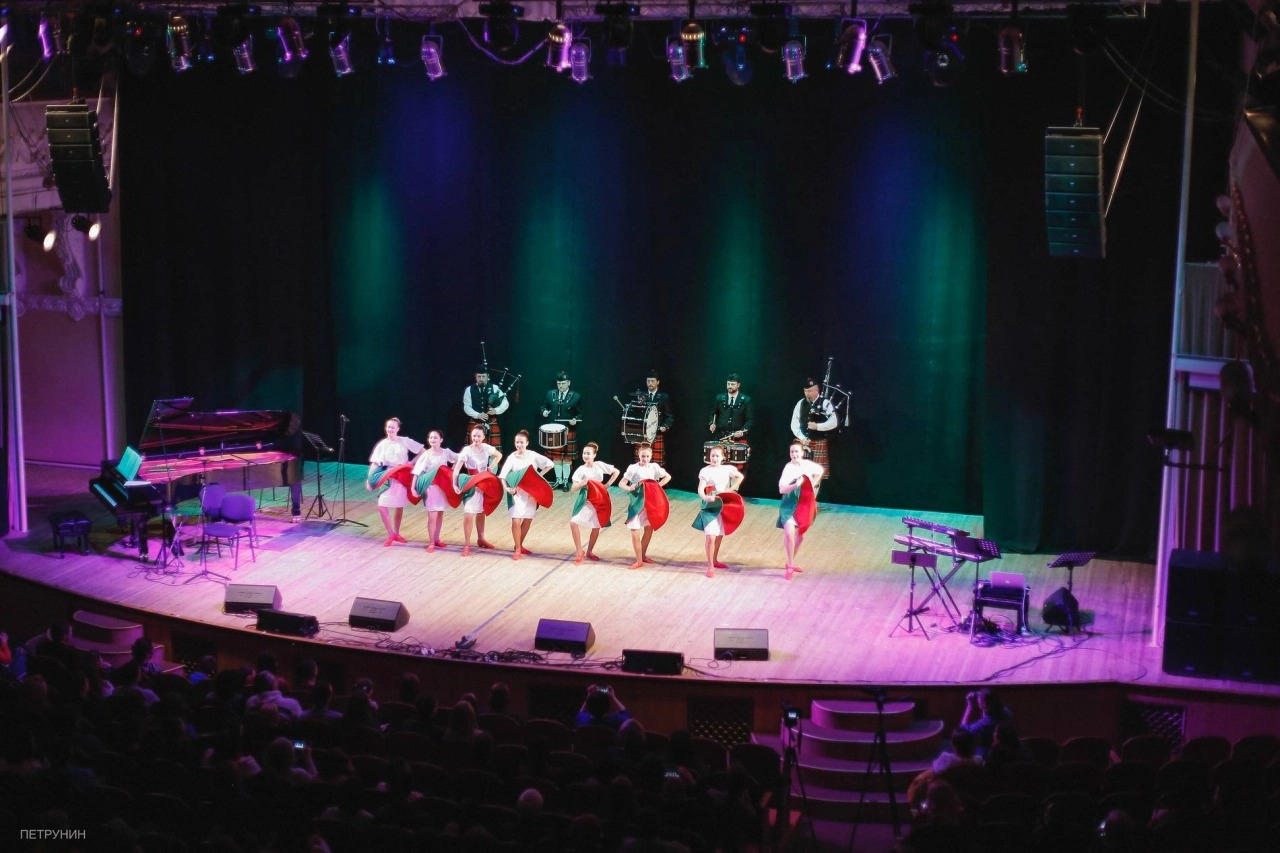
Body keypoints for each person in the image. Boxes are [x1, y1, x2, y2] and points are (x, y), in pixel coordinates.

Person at [366, 417, 424, 546]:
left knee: (399, 505)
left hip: (401, 475)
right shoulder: (382, 444)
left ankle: (396, 533)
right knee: (382, 505)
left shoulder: (404, 441)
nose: (390, 429)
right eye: (388, 427)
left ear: (398, 429)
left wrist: (411, 463)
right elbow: (375, 463)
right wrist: (369, 480)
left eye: (392, 427)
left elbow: (422, 451)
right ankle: (390, 533)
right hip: (387, 475)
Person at [498, 430, 554, 560]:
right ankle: (517, 549)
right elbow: (503, 475)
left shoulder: (533, 455)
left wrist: (538, 477)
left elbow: (550, 464)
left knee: (528, 519)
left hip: (531, 493)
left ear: (527, 443)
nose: (519, 445)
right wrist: (507, 488)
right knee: (516, 519)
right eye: (517, 442)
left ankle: (519, 545)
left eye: (521, 442)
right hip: (517, 492)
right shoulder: (512, 457)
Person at [693, 444, 745, 578]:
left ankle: (715, 560)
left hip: (723, 504)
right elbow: (701, 488)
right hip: (710, 506)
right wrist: (705, 497)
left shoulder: (728, 469)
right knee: (711, 536)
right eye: (712, 455)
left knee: (719, 534)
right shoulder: (705, 471)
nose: (714, 458)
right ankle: (710, 566)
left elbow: (740, 477)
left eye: (717, 456)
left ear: (722, 457)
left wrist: (731, 489)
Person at [619, 442, 672, 569]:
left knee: (648, 529)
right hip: (637, 503)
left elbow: (667, 476)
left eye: (647, 456)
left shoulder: (654, 467)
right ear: (638, 454)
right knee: (634, 530)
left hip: (650, 503)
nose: (645, 459)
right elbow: (621, 483)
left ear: (651, 456)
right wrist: (630, 488)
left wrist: (656, 487)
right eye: (643, 456)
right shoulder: (633, 468)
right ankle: (639, 561)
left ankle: (642, 556)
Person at [452, 425, 503, 556]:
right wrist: (455, 484)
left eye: (478, 436)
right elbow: (456, 469)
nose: (476, 438)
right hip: (472, 484)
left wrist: (491, 467)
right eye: (474, 435)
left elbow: (499, 455)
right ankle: (467, 544)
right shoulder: (467, 450)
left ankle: (481, 539)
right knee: (469, 514)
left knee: (481, 512)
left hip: (485, 483)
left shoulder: (486, 448)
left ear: (483, 437)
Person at [778, 440, 824, 580]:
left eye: (796, 451)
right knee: (789, 533)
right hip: (790, 504)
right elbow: (781, 489)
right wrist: (795, 486)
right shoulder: (788, 468)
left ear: (802, 452)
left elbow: (820, 471)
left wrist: (812, 484)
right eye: (792, 451)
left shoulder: (808, 465)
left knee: (801, 535)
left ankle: (790, 561)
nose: (794, 454)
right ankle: (790, 564)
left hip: (805, 504)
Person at [569, 441, 620, 564]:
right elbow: (573, 488)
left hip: (600, 498)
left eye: (588, 453)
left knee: (596, 526)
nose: (586, 455)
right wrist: (582, 483)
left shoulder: (599, 465)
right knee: (573, 522)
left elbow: (616, 472)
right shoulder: (581, 470)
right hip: (586, 500)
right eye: (584, 453)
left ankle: (590, 551)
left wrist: (607, 485)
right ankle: (579, 551)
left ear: (594, 455)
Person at [410, 429, 459, 553]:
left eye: (435, 438)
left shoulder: (446, 452)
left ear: (441, 440)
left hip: (442, 489)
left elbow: (459, 458)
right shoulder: (426, 455)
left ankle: (437, 539)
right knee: (432, 516)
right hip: (431, 489)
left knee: (440, 514)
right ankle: (431, 542)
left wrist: (453, 470)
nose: (432, 440)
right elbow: (417, 471)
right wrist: (413, 487)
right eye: (431, 438)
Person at [540, 371, 582, 490]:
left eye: (563, 383)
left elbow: (580, 413)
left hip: (568, 431)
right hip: (553, 431)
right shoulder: (550, 394)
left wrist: (575, 419)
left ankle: (565, 482)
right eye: (559, 383)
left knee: (567, 459)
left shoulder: (576, 396)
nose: (560, 386)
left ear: (569, 383)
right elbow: (543, 406)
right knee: (557, 458)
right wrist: (544, 411)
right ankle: (558, 480)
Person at [790, 377, 837, 479]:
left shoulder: (825, 403)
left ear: (817, 390)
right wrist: (802, 437)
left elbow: (834, 422)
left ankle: (814, 490)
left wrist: (817, 426)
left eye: (810, 391)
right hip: (803, 443)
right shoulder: (800, 403)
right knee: (800, 475)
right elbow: (794, 424)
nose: (807, 394)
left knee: (816, 476)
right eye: (805, 391)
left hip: (818, 442)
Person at [707, 372, 754, 471]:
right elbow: (713, 414)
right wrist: (712, 423)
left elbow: (749, 420)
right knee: (720, 466)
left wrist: (742, 431)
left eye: (732, 384)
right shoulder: (720, 398)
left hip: (737, 439)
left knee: (737, 468)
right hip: (721, 437)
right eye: (728, 384)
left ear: (738, 385)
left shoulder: (746, 400)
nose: (729, 386)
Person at [462, 365, 510, 451]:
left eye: (483, 376)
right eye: (479, 376)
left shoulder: (495, 388)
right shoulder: (469, 390)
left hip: (491, 422)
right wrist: (477, 415)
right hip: (475, 423)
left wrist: (496, 410)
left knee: (493, 452)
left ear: (488, 377)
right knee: (473, 451)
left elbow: (505, 403)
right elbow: (467, 407)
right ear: (475, 377)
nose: (481, 379)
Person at [958, 688, 1013, 756]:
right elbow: (989, 712)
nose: (977, 698)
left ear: (984, 705)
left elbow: (962, 731)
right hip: (1005, 748)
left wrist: (970, 706)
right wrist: (983, 698)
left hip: (987, 753)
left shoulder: (985, 724)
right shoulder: (1007, 712)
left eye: (979, 698)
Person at [638, 370, 675, 466]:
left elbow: (670, 416)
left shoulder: (664, 397)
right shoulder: (641, 396)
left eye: (652, 381)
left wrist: (665, 426)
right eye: (648, 381)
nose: (650, 383)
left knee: (656, 464)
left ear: (658, 382)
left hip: (656, 433)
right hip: (643, 434)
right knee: (641, 463)